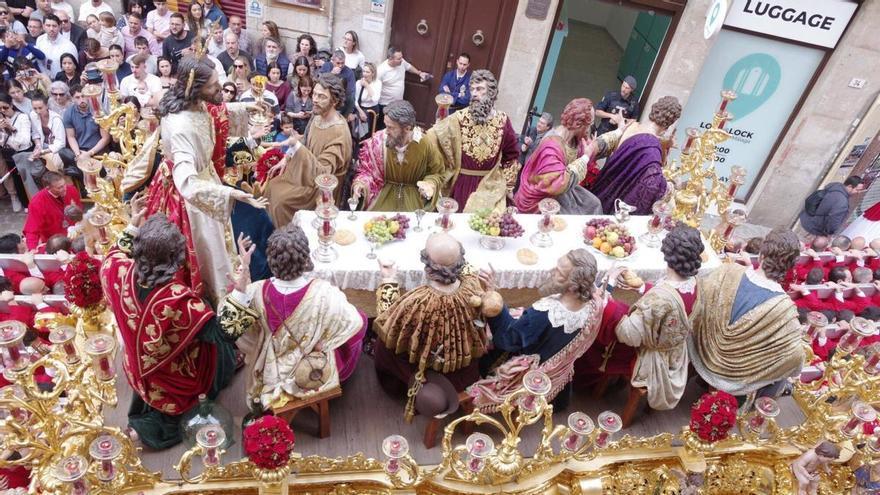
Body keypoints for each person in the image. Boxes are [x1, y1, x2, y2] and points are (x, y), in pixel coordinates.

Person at [100, 203, 236, 450]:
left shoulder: (116, 270)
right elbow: (222, 333)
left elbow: (114, 251)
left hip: (135, 367)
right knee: (219, 350)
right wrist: (241, 294)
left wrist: (133, 225)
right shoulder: (178, 301)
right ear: (175, 259)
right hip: (173, 380)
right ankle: (150, 430)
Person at [143, 55, 267, 304]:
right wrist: (230, 193)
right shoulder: (181, 128)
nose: (219, 88)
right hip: (192, 197)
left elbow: (211, 112)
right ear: (195, 88)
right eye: (213, 85)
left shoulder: (194, 103)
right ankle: (218, 300)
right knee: (210, 251)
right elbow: (187, 183)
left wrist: (243, 108)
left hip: (206, 178)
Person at [219, 224, 366, 407]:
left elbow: (228, 329)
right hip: (311, 369)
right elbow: (355, 323)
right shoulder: (324, 292)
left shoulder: (255, 291)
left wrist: (242, 281)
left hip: (270, 368)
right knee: (362, 318)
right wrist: (324, 343)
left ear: (271, 260)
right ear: (305, 259)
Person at [468, 249, 606, 412]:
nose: (552, 271)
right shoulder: (593, 305)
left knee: (479, 351)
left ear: (573, 285)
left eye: (559, 272)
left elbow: (506, 339)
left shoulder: (545, 313)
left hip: (526, 370)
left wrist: (494, 298)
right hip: (554, 366)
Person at [373, 232, 490, 421]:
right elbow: (467, 271)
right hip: (463, 362)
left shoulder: (418, 302)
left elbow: (388, 322)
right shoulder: (473, 287)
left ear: (428, 268)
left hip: (425, 368)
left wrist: (388, 280)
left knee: (384, 345)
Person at [689, 228, 803, 403]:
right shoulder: (785, 309)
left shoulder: (728, 271)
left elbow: (699, 300)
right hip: (735, 373)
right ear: (790, 267)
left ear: (762, 255)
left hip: (702, 348)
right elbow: (795, 356)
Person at [611, 225, 703, 410]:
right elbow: (674, 299)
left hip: (652, 358)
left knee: (609, 331)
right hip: (677, 352)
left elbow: (628, 335)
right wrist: (642, 288)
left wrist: (611, 303)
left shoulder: (658, 298)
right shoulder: (696, 283)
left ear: (666, 254)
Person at [264, 72, 352, 227]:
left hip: (320, 189)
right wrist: (286, 158)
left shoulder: (339, 131)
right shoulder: (317, 117)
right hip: (305, 173)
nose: (315, 100)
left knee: (280, 202)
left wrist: (295, 145)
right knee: (272, 185)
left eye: (322, 96)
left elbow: (324, 174)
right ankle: (271, 233)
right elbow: (304, 142)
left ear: (335, 101)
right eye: (315, 94)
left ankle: (289, 237)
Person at [429, 69, 519, 212]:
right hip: (461, 186)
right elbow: (435, 138)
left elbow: (511, 156)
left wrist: (508, 186)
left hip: (490, 188)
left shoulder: (503, 120)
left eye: (480, 89)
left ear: (491, 92)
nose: (474, 93)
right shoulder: (459, 118)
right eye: (472, 89)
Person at [590, 95, 681, 215]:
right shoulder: (652, 150)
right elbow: (651, 185)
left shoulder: (631, 127)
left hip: (604, 188)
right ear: (669, 124)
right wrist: (670, 186)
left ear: (654, 110)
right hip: (618, 201)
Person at [352, 99, 445, 212]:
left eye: (391, 127)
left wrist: (429, 184)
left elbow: (436, 173)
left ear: (407, 128)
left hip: (414, 202)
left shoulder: (425, 144)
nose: (386, 131)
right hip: (382, 199)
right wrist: (361, 184)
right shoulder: (378, 142)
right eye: (386, 126)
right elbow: (367, 172)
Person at [514, 98, 601, 215]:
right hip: (545, 192)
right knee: (572, 216)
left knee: (594, 203)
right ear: (578, 124)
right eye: (589, 125)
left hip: (562, 186)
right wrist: (585, 157)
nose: (589, 130)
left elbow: (581, 155)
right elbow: (557, 183)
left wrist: (620, 130)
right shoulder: (552, 144)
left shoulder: (575, 140)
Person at [14, 94, 64, 197]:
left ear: (46, 106)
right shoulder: (33, 115)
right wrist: (37, 145)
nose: (37, 111)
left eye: (40, 108)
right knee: (26, 161)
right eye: (35, 108)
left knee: (51, 164)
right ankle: (38, 194)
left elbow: (61, 143)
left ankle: (57, 189)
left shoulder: (56, 119)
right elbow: (35, 133)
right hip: (42, 146)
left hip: (55, 149)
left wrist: (43, 152)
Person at [22, 171, 81, 248]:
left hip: (74, 235)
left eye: (64, 184)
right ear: (48, 188)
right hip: (55, 242)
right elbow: (32, 230)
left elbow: (79, 212)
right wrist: (32, 250)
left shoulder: (71, 190)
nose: (65, 189)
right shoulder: (37, 203)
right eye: (59, 187)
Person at [59, 84, 109, 173]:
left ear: (88, 96)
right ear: (72, 99)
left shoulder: (98, 110)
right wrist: (78, 154)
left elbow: (106, 138)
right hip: (81, 150)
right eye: (77, 97)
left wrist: (90, 153)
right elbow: (71, 137)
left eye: (83, 96)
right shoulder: (68, 113)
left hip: (99, 149)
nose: (81, 100)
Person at [799, 175, 864, 236]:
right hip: (812, 228)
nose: (858, 193)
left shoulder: (834, 187)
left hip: (805, 217)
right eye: (857, 190)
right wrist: (828, 234)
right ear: (849, 186)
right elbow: (833, 223)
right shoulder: (842, 202)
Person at [376, 46, 429, 114]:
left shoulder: (401, 62)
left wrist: (419, 73)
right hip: (386, 104)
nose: (401, 60)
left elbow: (409, 67)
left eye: (402, 57)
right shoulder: (381, 70)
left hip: (399, 104)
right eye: (399, 59)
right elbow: (374, 85)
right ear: (390, 58)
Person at [0, 92, 30, 210]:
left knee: (27, 180)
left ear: (11, 105)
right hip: (9, 155)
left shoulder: (22, 117)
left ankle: (33, 202)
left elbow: (25, 141)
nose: (3, 111)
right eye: (0, 109)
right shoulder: (1, 120)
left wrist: (11, 128)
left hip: (23, 152)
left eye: (5, 107)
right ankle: (24, 203)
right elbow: (2, 143)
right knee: (17, 180)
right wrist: (2, 131)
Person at [35, 14, 75, 78]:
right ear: (43, 26)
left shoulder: (68, 46)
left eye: (54, 26)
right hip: (43, 78)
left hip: (61, 80)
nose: (51, 29)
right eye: (48, 25)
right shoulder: (40, 40)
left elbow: (72, 69)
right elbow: (39, 61)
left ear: (59, 27)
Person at [319, 48, 354, 117]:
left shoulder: (349, 72)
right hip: (325, 98)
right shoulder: (326, 66)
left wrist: (350, 112)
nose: (340, 66)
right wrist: (331, 73)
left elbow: (351, 92)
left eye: (342, 63)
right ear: (333, 61)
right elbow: (319, 81)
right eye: (338, 63)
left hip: (341, 101)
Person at [354, 61, 380, 140]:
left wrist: (367, 85)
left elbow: (375, 99)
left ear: (373, 73)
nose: (364, 74)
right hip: (360, 109)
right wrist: (360, 112)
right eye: (364, 71)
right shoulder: (358, 83)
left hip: (372, 111)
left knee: (370, 133)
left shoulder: (377, 83)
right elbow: (355, 99)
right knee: (359, 134)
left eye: (367, 72)